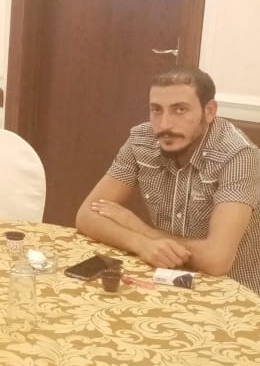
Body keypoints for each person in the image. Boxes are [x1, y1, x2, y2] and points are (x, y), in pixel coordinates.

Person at [75, 65, 260, 294]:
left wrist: (141, 229)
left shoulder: (238, 156)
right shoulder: (142, 140)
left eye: (180, 110)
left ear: (209, 111)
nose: (164, 125)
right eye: (156, 110)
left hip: (234, 294)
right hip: (166, 280)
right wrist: (141, 243)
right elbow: (86, 216)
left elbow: (217, 259)